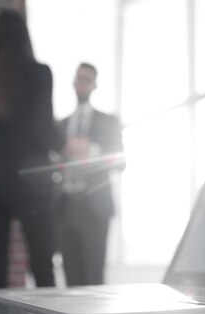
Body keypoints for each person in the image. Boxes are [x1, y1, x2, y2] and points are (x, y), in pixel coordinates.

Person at [0, 9, 64, 289]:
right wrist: (65, 144)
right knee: (43, 268)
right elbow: (44, 132)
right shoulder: (40, 74)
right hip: (32, 179)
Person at [60, 62, 125, 286]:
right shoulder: (61, 125)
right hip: (66, 207)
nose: (82, 83)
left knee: (94, 281)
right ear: (73, 82)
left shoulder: (108, 122)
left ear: (94, 85)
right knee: (71, 281)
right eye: (79, 78)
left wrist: (91, 150)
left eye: (88, 79)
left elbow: (120, 161)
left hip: (95, 209)